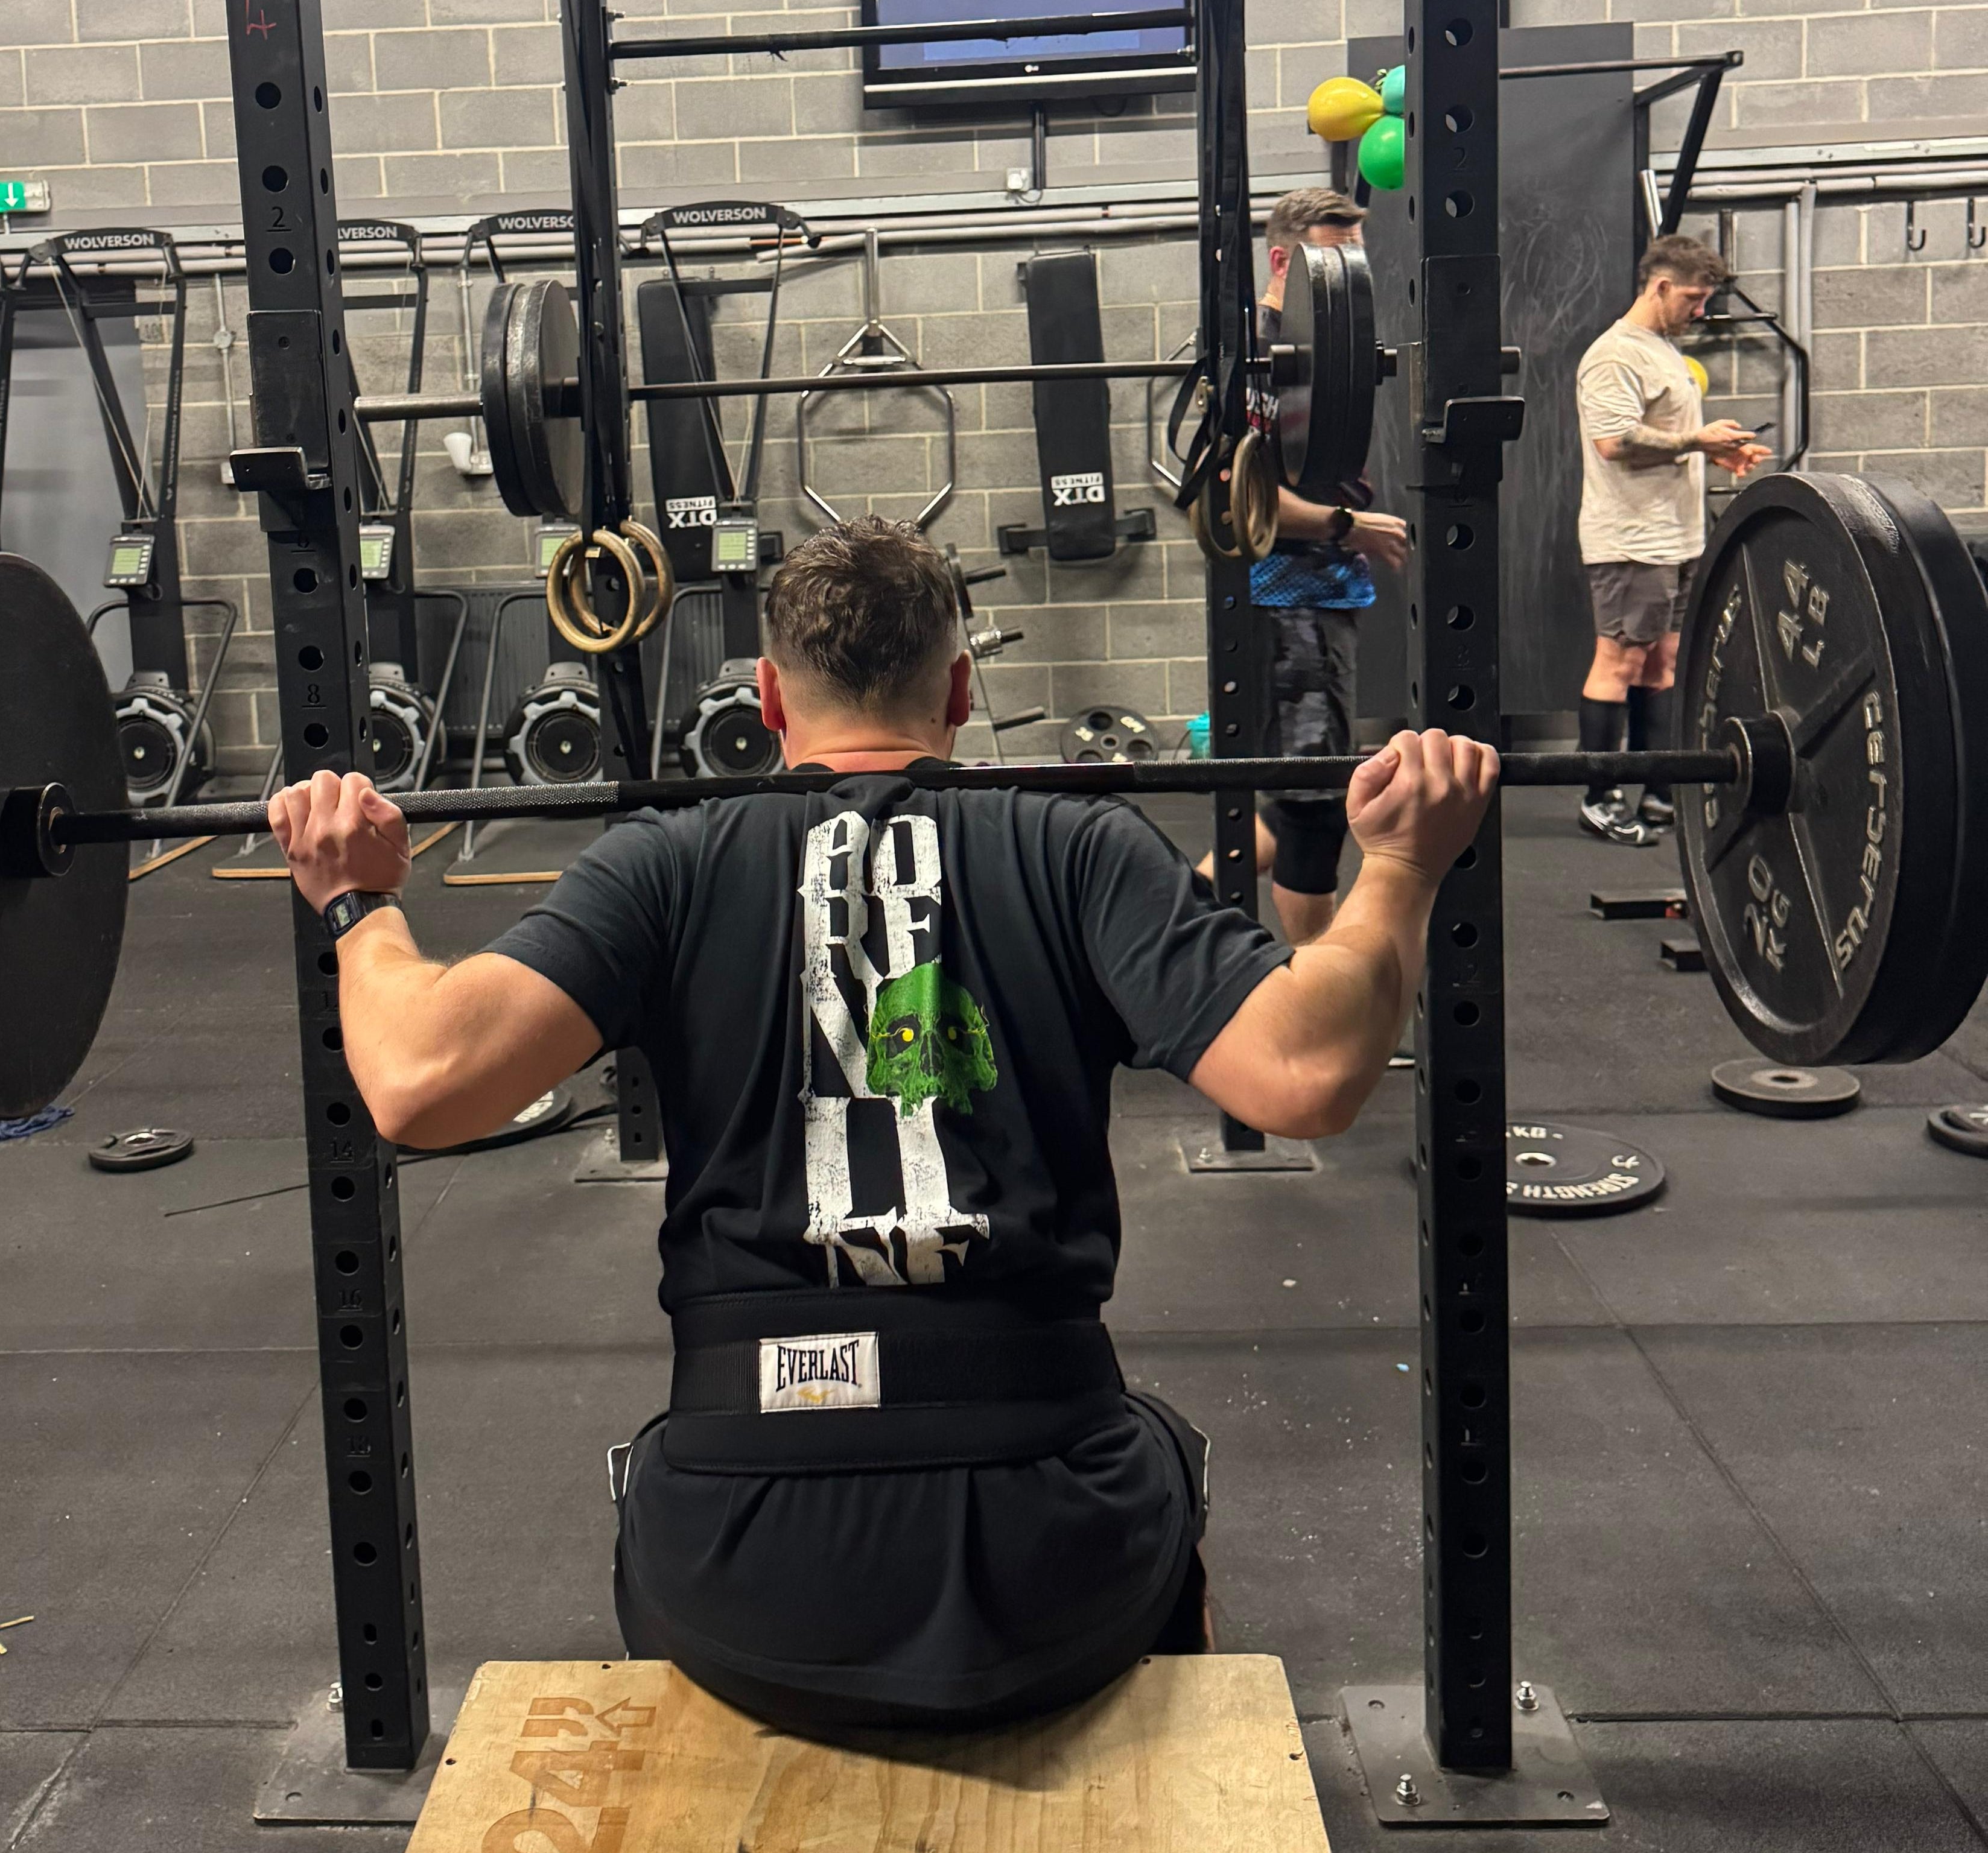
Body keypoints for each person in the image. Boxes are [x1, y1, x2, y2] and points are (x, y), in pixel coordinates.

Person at [268, 516, 1497, 1734]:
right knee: (1168, 1452)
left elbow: (419, 1082)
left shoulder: (665, 862)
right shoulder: (1080, 845)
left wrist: (356, 903)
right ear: (961, 690)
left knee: (662, 1484)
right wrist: (1400, 865)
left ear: (767, 696)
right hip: (1054, 1553)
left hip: (738, 1571)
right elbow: (1313, 1072)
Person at [1192, 188, 1409, 943]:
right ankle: (1316, 991)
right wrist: (1348, 525)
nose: (1350, 270)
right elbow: (1239, 499)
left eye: (1356, 255)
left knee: (1282, 805)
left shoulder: (1318, 345)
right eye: (1335, 255)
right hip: (1287, 605)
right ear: (1286, 258)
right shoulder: (1259, 355)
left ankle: (1172, 922)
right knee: (1315, 807)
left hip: (1320, 598)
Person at [1573, 233, 1770, 846]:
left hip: (1677, 536)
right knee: (1621, 660)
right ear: (1660, 286)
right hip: (1631, 541)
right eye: (1693, 297)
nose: (1700, 310)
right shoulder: (1614, 355)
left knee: (1665, 662)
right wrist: (1697, 442)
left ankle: (1659, 791)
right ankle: (1600, 796)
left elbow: (1668, 440)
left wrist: (1719, 455)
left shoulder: (1661, 349)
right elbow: (1614, 443)